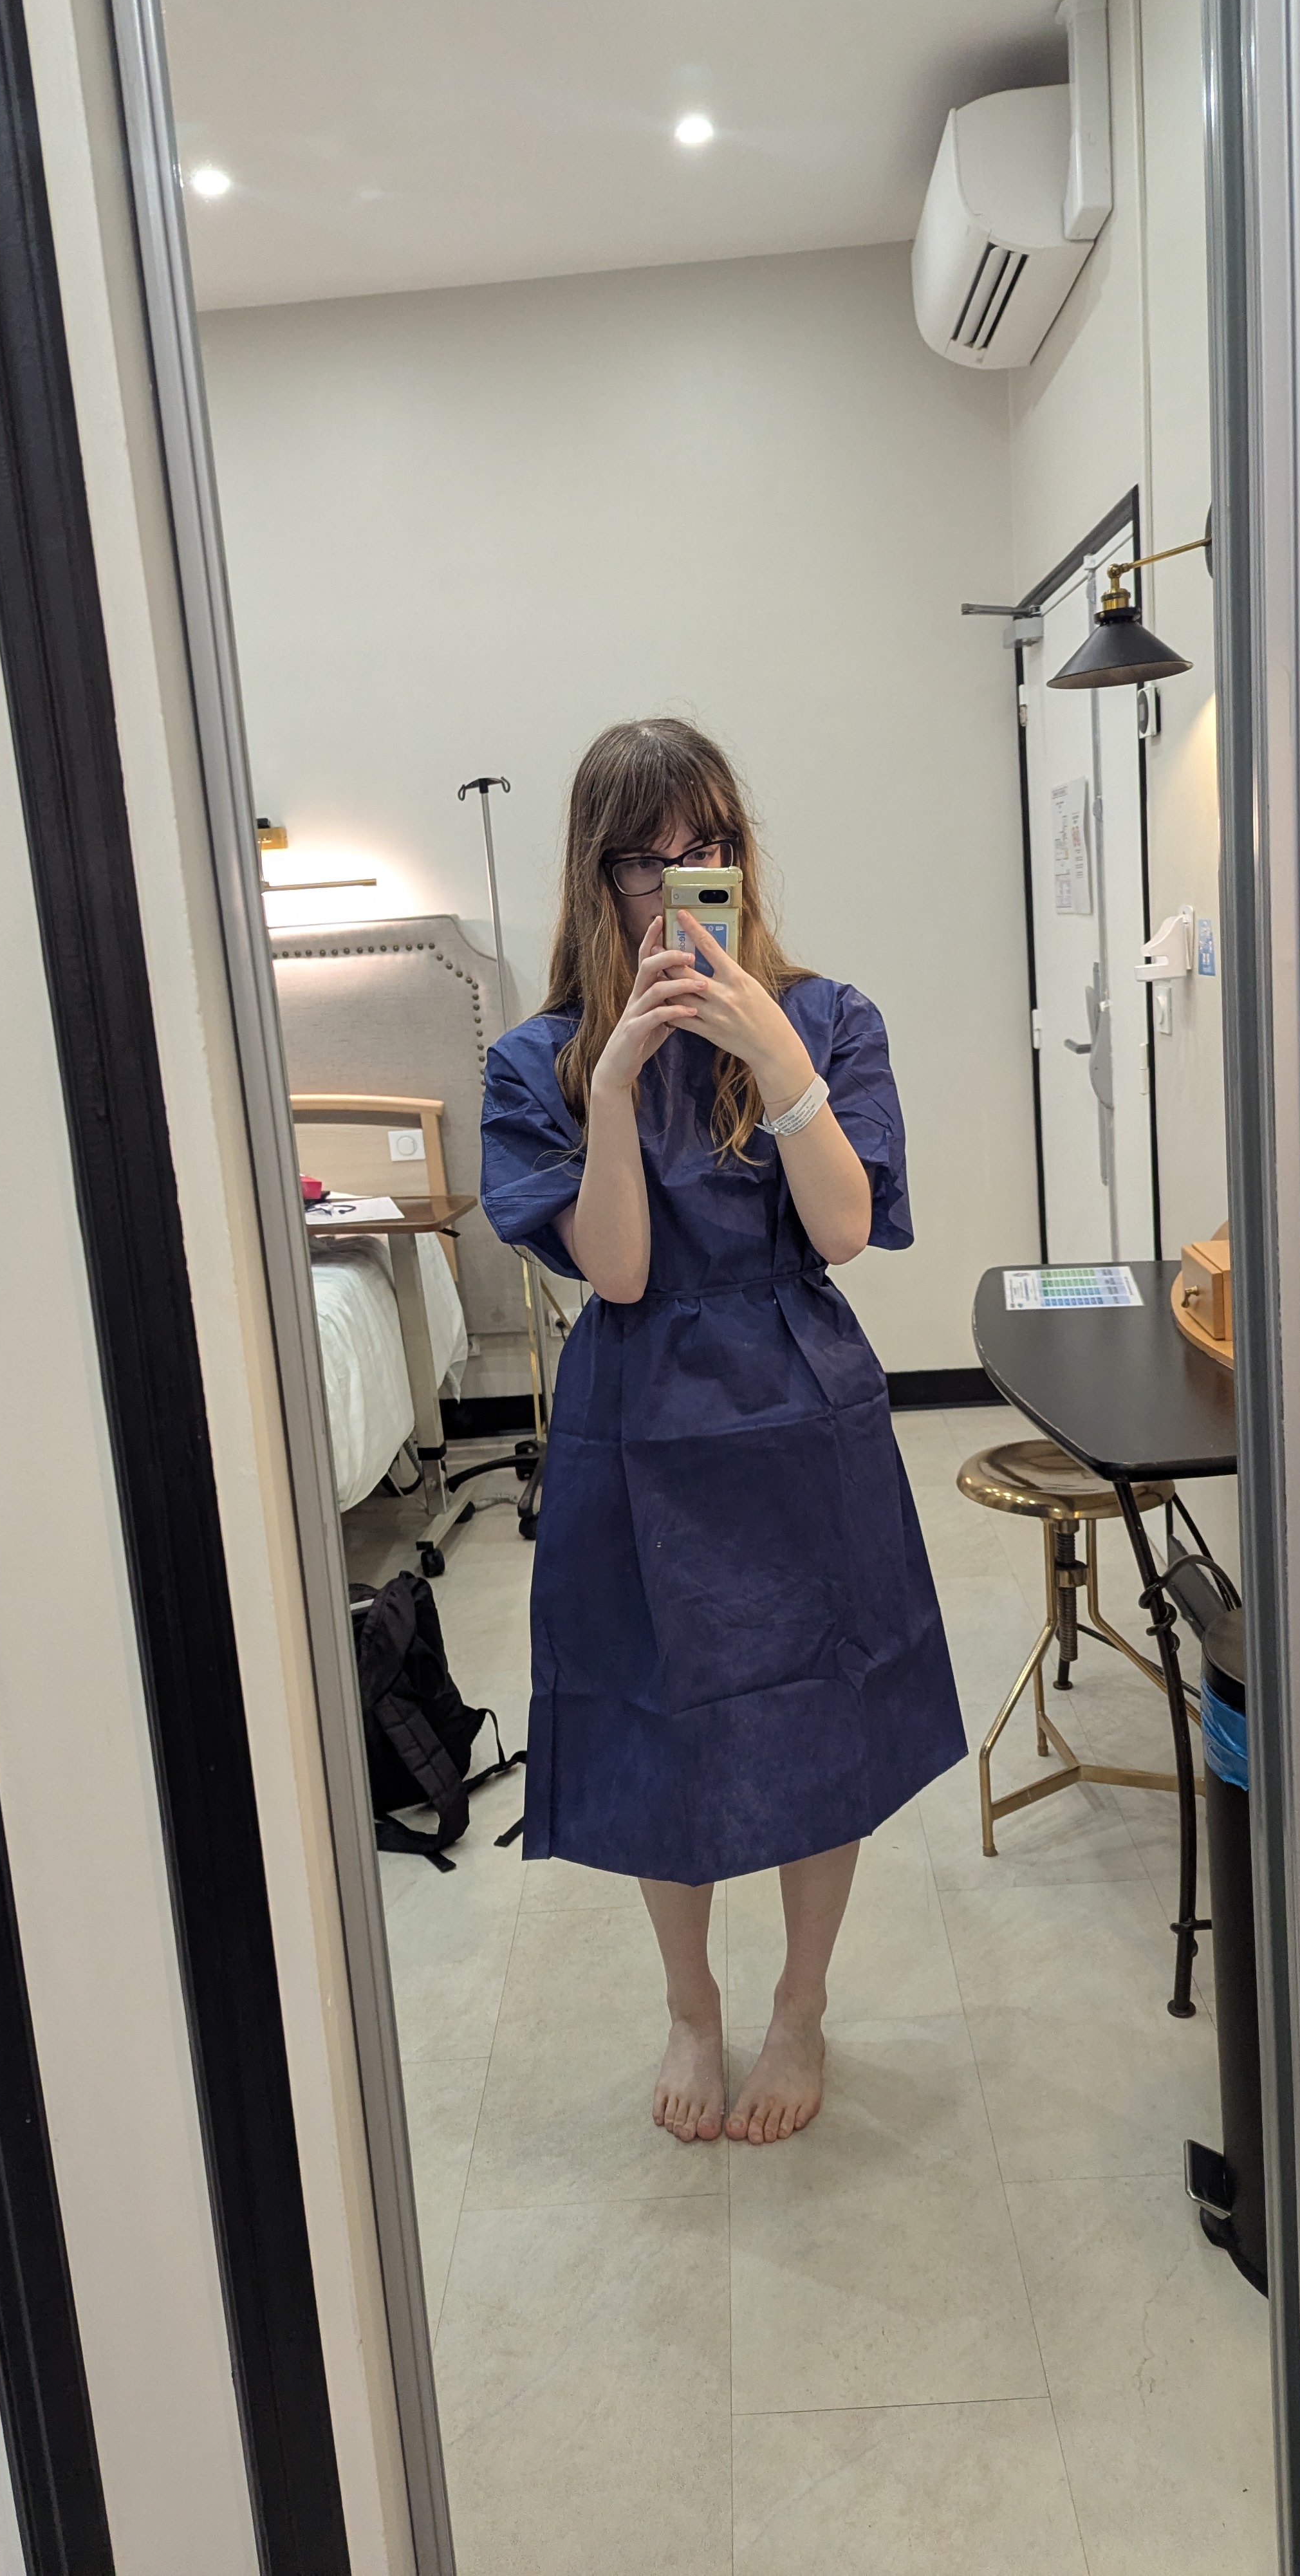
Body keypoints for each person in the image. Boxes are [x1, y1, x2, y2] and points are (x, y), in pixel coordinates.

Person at [480, 718, 963, 2145]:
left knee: (827, 1710)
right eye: (647, 861)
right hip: (639, 1424)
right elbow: (620, 1273)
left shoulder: (831, 1017)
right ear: (599, 878)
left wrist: (774, 1054)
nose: (682, 883)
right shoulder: (538, 1062)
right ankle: (691, 2007)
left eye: (709, 850)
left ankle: (800, 2002)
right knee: (656, 1720)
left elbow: (845, 1227)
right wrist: (616, 1084)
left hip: (803, 1408)